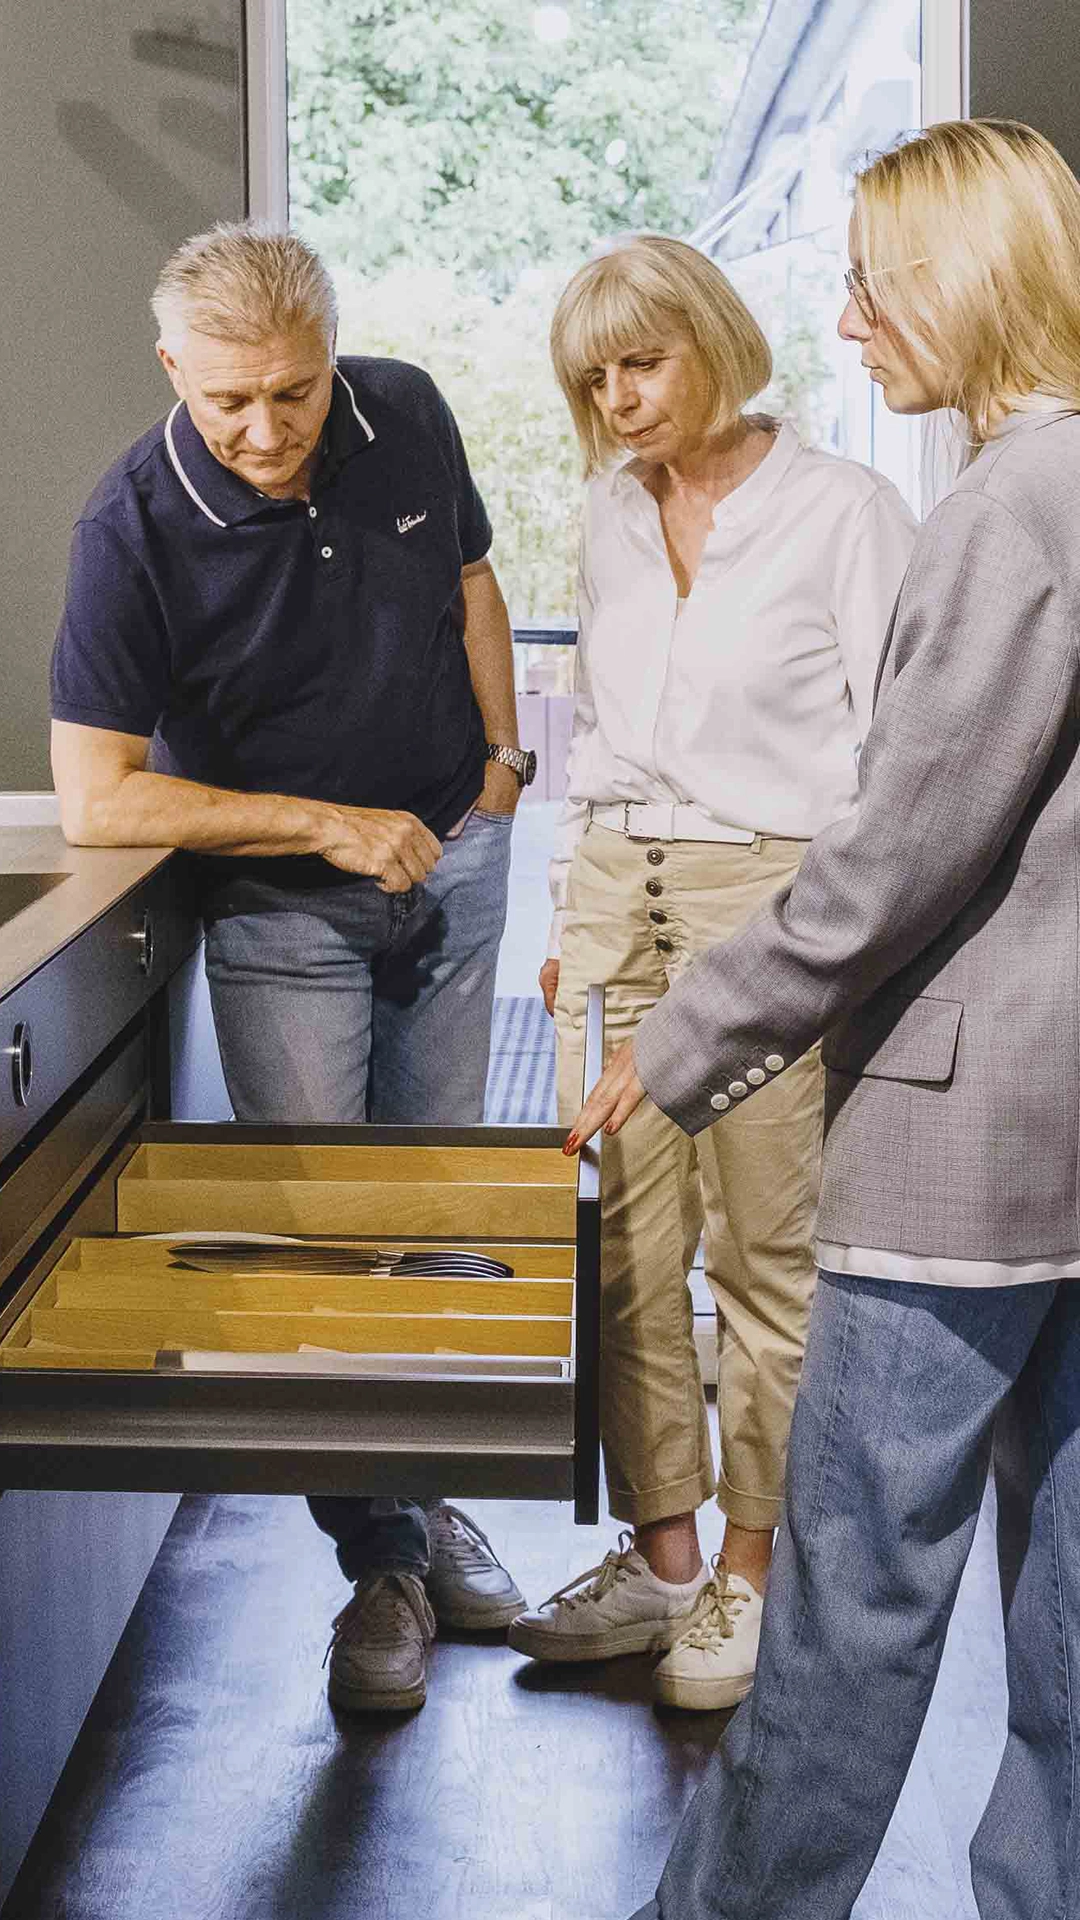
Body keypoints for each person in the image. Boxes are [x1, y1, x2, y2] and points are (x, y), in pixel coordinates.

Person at [567, 120, 1080, 1919]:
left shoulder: (1008, 504)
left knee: (849, 1607)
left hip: (961, 1157)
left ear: (962, 284)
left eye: (872, 286)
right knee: (1069, 1631)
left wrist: (682, 1038)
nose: (848, 325)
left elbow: (890, 860)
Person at [49, 222, 537, 1716]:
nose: (268, 430)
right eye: (230, 401)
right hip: (279, 915)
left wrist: (503, 766)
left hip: (455, 861)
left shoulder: (407, 410)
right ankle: (381, 1568)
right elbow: (97, 798)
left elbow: (473, 584)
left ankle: (429, 1509)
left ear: (332, 357)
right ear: (171, 370)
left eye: (296, 391)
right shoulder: (131, 524)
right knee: (331, 1242)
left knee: (438, 1216)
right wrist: (323, 826)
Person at [508, 235, 915, 1707]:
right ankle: (665, 1558)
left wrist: (846, 941)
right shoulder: (611, 515)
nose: (619, 399)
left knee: (763, 1254)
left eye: (643, 363)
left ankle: (751, 1568)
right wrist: (571, 909)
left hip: (768, 897)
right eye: (594, 378)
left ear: (715, 344)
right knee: (620, 1250)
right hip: (623, 890)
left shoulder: (845, 513)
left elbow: (897, 754)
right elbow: (602, 733)